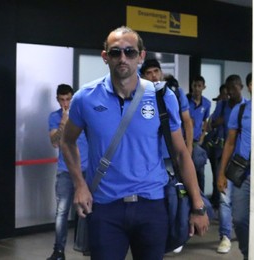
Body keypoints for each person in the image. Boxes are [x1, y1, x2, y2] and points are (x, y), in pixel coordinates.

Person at [61, 26, 209, 260]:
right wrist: (79, 184)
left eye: (130, 52)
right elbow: (67, 141)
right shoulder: (85, 98)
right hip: (104, 206)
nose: (123, 58)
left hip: (151, 205)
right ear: (104, 56)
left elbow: (181, 153)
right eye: (115, 52)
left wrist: (198, 206)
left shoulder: (162, 97)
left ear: (141, 56)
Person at [140, 60, 193, 254]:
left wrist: (188, 151)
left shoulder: (173, 95)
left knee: (175, 197)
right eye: (149, 73)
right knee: (158, 201)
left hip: (171, 155)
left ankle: (176, 234)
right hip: (151, 159)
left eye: (156, 71)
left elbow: (187, 122)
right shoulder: (138, 96)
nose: (153, 76)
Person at [47, 84, 88, 260]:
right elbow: (55, 143)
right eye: (62, 99)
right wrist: (63, 123)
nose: (65, 103)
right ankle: (59, 251)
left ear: (73, 98)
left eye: (68, 99)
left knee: (87, 209)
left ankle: (86, 246)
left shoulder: (82, 115)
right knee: (62, 211)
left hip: (86, 169)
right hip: (65, 170)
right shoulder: (54, 117)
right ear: (57, 99)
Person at [217, 72, 251, 260]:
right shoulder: (240, 110)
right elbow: (230, 143)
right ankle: (247, 253)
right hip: (242, 172)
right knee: (239, 218)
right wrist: (222, 173)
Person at [204, 84, 228, 209]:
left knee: (220, 176)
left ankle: (217, 201)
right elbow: (211, 124)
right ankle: (217, 201)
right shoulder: (221, 106)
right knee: (217, 175)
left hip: (225, 148)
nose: (226, 96)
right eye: (225, 93)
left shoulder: (232, 106)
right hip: (217, 147)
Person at [187, 76, 211, 193]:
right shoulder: (185, 100)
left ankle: (202, 198)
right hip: (185, 141)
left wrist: (202, 137)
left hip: (197, 142)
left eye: (199, 86)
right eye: (194, 86)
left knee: (200, 171)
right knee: (185, 170)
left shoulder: (206, 103)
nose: (196, 89)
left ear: (204, 87)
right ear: (191, 86)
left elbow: (205, 121)